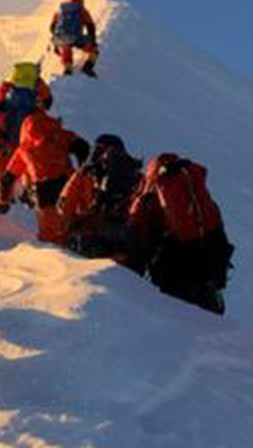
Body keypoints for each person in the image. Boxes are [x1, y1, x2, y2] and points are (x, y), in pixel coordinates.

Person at [128, 153, 233, 314]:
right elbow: (216, 220)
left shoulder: (155, 183)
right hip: (209, 253)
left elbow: (138, 220)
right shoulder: (194, 183)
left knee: (176, 308)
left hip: (178, 260)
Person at [0, 111, 90, 244]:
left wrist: (2, 202)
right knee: (71, 220)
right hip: (66, 183)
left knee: (50, 233)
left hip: (42, 189)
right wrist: (82, 171)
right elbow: (83, 147)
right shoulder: (59, 134)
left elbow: (7, 179)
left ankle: (57, 253)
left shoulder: (24, 147)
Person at [58, 134, 143, 263]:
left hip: (89, 239)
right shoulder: (135, 173)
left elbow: (64, 205)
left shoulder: (86, 173)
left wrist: (68, 230)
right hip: (124, 244)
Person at [0, 62, 54, 176]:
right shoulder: (36, 111)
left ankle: (4, 186)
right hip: (28, 156)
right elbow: (48, 102)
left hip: (5, 153)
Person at [50, 0, 99, 77]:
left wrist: (56, 43)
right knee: (94, 50)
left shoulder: (60, 10)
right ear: (81, 1)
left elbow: (52, 27)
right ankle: (87, 67)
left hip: (60, 37)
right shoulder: (82, 10)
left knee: (66, 47)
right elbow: (90, 26)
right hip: (75, 37)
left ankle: (68, 68)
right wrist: (92, 40)